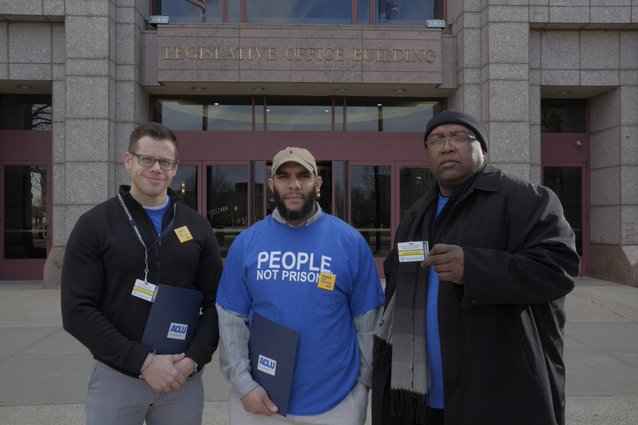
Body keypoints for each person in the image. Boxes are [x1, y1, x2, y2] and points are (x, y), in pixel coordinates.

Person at [372, 111, 580, 425]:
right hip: (420, 396)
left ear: (483, 148)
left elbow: (558, 268)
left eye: (459, 136)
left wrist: (474, 268)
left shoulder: (525, 199)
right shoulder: (416, 216)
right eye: (437, 139)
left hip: (497, 395)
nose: (447, 146)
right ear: (428, 153)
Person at [61, 122, 222, 425]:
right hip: (118, 377)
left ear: (175, 168)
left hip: (181, 380)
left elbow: (217, 302)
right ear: (128, 161)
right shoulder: (95, 225)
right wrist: (143, 362)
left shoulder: (197, 226)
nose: (156, 168)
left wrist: (192, 361)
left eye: (166, 162)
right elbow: (76, 310)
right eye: (147, 159)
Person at [216, 146, 384, 425]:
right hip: (260, 402)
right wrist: (244, 384)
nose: (294, 185)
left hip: (335, 404)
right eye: (283, 177)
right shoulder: (247, 243)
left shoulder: (349, 242)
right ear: (272, 184)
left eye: (303, 176)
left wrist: (362, 385)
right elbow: (232, 319)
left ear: (317, 184)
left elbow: (367, 320)